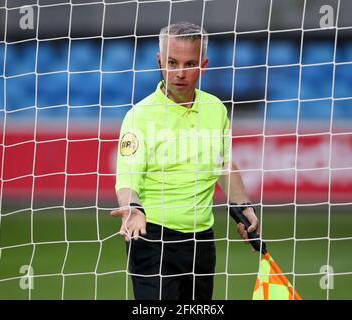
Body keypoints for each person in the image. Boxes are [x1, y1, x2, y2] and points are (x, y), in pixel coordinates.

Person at [111, 21, 259, 300]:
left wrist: (243, 207)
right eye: (172, 62)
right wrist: (132, 208)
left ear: (203, 65)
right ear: (159, 61)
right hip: (151, 237)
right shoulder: (139, 116)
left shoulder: (215, 109)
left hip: (202, 240)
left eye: (189, 63)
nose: (179, 73)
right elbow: (128, 174)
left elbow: (223, 164)